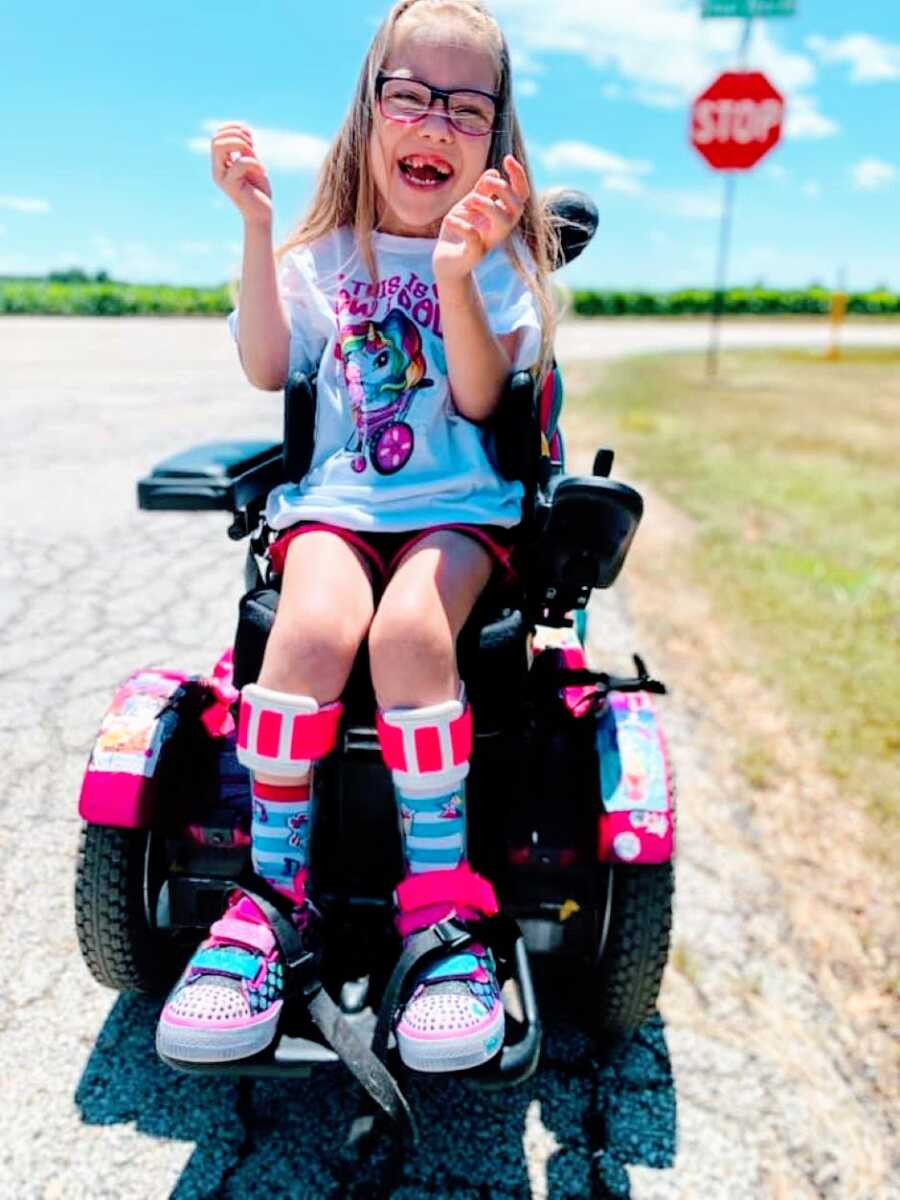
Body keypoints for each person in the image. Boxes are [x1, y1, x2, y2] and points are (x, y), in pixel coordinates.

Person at [156, 0, 559, 1074]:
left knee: (414, 635)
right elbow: (262, 365)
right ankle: (270, 906)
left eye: (465, 107)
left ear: (495, 137)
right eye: (411, 94)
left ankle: (440, 913)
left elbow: (477, 402)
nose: (434, 121)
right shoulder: (321, 256)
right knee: (315, 624)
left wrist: (456, 277)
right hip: (339, 505)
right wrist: (253, 225)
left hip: (459, 510)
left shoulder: (500, 263)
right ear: (371, 112)